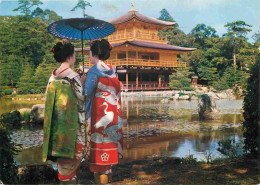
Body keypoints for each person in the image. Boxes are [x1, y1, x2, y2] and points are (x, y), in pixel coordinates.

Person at [42, 40, 87, 184]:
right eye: (74, 55)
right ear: (71, 56)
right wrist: (83, 82)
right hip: (72, 124)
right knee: (72, 157)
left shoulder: (52, 77)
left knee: (62, 159)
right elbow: (82, 100)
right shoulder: (73, 77)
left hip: (56, 125)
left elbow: (47, 99)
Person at [84, 39, 123, 184]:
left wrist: (82, 81)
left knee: (97, 162)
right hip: (111, 119)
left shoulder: (94, 71)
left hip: (95, 119)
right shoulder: (111, 71)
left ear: (93, 54)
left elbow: (86, 93)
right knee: (108, 163)